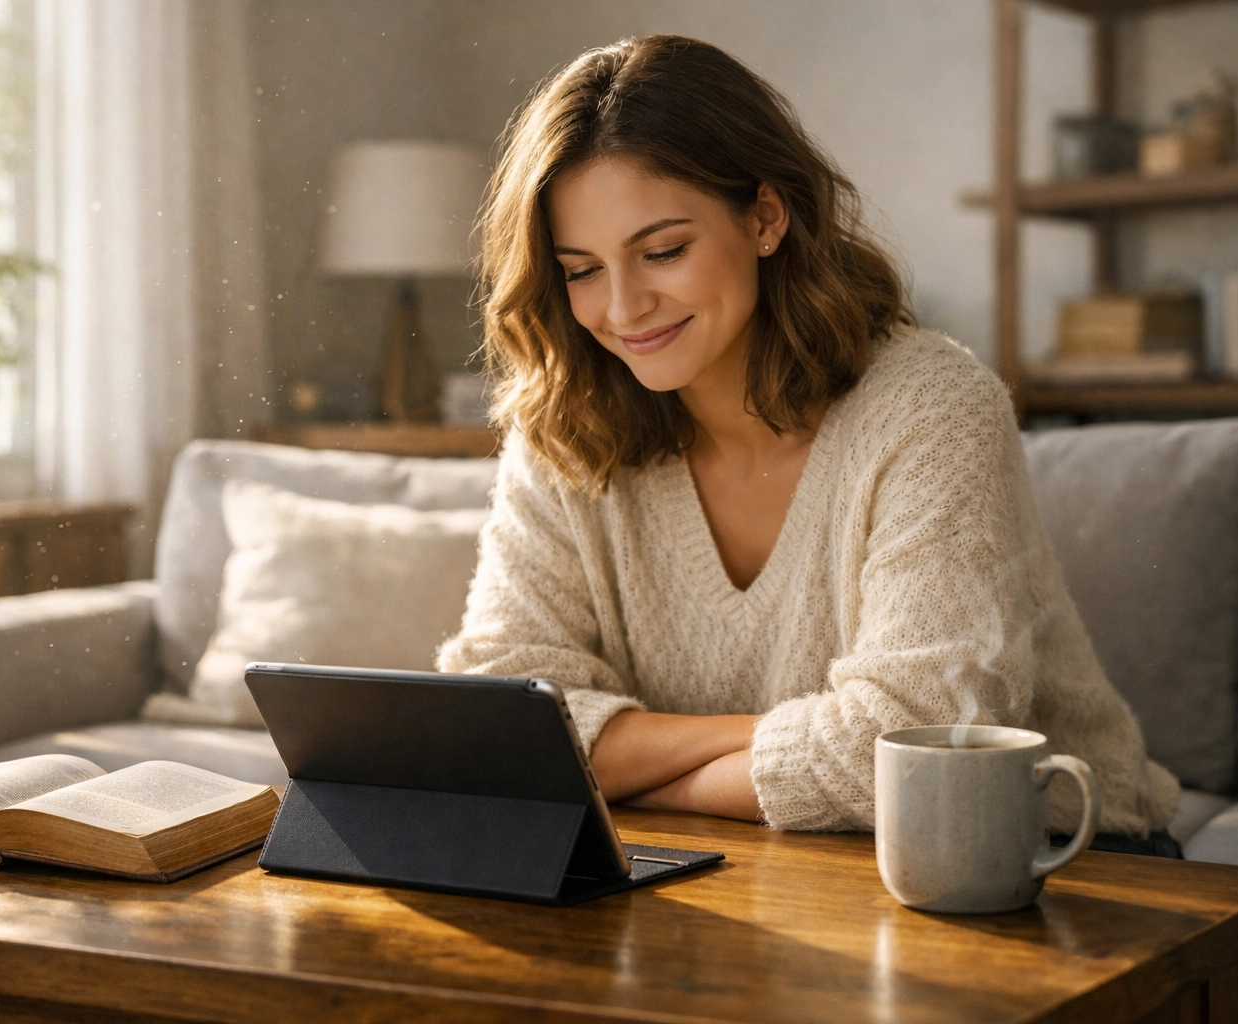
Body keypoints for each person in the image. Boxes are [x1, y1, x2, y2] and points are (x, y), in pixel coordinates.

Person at [437, 34, 1180, 854]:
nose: (622, 308)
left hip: (1047, 855)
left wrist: (646, 772)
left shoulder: (932, 408)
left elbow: (917, 746)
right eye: (580, 269)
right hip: (755, 860)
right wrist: (776, 739)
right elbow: (501, 720)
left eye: (663, 252)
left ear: (765, 217)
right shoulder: (566, 429)